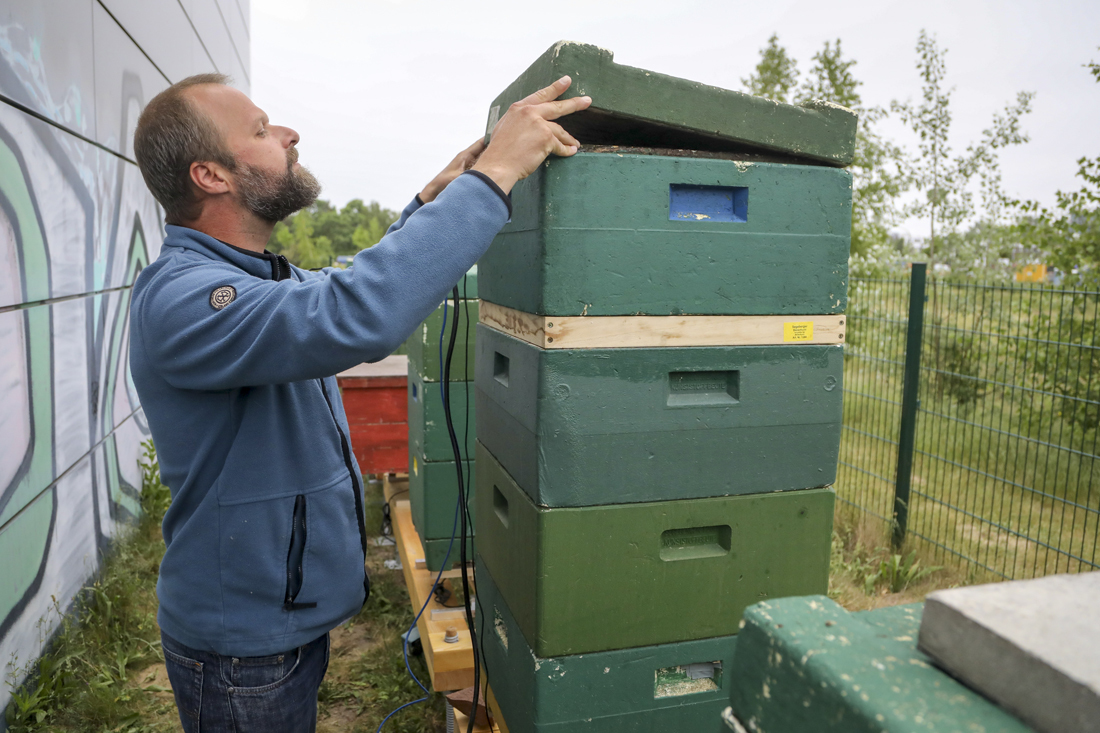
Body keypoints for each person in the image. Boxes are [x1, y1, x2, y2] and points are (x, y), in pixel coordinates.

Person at [129, 72, 590, 732]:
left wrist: (432, 200)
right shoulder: (185, 298)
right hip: (241, 647)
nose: (288, 134)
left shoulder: (248, 277)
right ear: (210, 175)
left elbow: (337, 290)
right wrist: (493, 178)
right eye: (261, 130)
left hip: (275, 625)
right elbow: (355, 312)